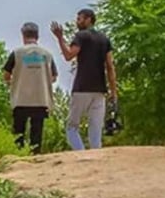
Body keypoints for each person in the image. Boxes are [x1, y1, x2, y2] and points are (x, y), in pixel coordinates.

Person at [50, 8, 117, 151]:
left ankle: (81, 154)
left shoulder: (81, 36)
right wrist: (113, 92)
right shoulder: (104, 39)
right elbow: (110, 66)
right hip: (99, 89)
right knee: (96, 129)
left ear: (88, 19)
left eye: (79, 18)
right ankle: (95, 157)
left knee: (72, 127)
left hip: (82, 87)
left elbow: (69, 56)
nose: (77, 21)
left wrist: (60, 38)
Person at [2, 22, 58, 151]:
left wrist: (14, 82)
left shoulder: (17, 53)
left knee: (18, 133)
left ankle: (18, 158)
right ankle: (36, 160)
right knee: (36, 134)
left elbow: (6, 75)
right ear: (37, 36)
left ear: (23, 35)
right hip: (40, 99)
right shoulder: (47, 54)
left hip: (20, 99)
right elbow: (54, 76)